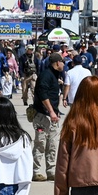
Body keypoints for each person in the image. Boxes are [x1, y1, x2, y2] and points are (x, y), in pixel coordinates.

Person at [31, 51, 65, 182]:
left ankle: (51, 170)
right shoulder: (46, 75)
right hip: (43, 116)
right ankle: (37, 171)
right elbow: (42, 94)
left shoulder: (55, 75)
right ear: (57, 63)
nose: (63, 64)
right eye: (62, 62)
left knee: (52, 144)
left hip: (53, 117)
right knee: (40, 143)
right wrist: (51, 111)